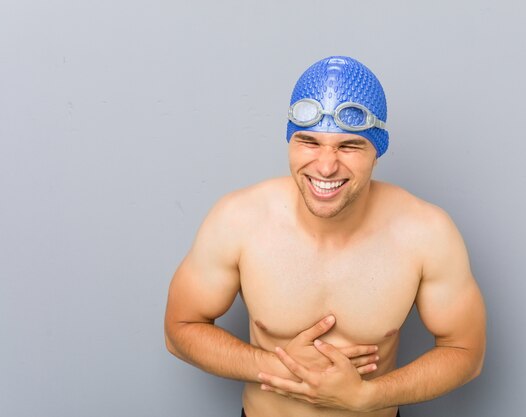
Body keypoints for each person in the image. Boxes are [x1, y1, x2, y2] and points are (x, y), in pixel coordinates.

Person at [164, 56, 486, 417]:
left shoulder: (426, 233)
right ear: (290, 141)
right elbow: (179, 329)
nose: (326, 165)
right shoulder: (239, 220)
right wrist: (277, 365)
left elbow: (466, 353)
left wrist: (368, 396)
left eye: (349, 146)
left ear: (377, 150)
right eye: (309, 142)